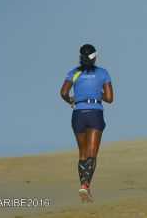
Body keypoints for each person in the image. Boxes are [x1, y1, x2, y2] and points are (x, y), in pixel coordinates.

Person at [60, 44, 114, 202]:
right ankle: (85, 186)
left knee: (82, 153)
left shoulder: (74, 73)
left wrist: (71, 99)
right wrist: (98, 93)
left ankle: (84, 187)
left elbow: (63, 92)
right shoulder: (103, 73)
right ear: (95, 57)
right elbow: (110, 98)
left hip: (78, 113)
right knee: (92, 153)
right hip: (95, 112)